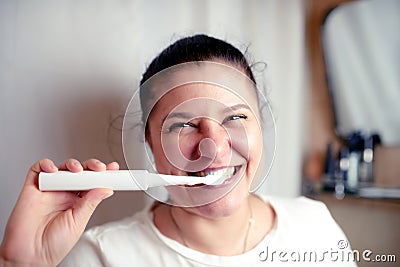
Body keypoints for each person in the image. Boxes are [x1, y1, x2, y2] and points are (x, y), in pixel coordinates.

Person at [0, 34, 357, 266]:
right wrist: (20, 265)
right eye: (182, 125)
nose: (213, 148)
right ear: (151, 145)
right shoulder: (100, 257)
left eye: (234, 117)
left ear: (260, 126)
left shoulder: (315, 227)